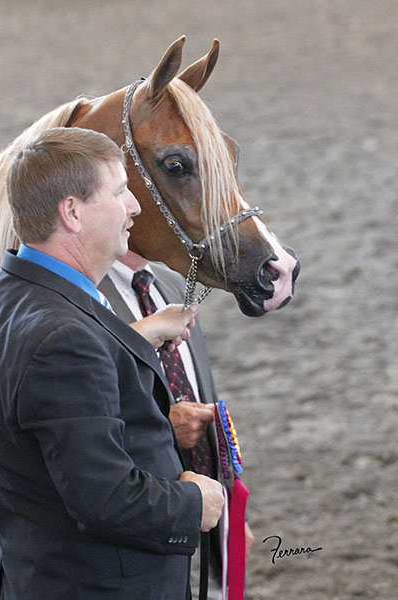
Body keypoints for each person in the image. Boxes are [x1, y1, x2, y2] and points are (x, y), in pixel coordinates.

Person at [0, 127, 224, 599]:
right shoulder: (63, 342)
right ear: (72, 212)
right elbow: (104, 499)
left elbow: (19, 420)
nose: (135, 206)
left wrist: (137, 335)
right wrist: (193, 503)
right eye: (120, 192)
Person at [99, 252, 255, 599]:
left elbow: (203, 389)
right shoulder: (90, 300)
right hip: (146, 517)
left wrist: (233, 513)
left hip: (203, 508)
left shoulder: (170, 285)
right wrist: (164, 425)